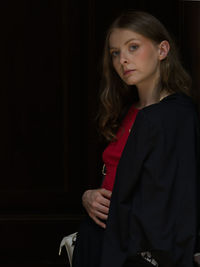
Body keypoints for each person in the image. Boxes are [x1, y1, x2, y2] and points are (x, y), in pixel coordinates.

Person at [72, 10, 200, 267]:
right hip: (100, 236)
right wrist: (88, 196)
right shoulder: (125, 110)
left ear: (162, 50)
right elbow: (113, 176)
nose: (123, 60)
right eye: (115, 53)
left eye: (133, 47)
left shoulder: (175, 116)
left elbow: (175, 199)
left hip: (136, 251)